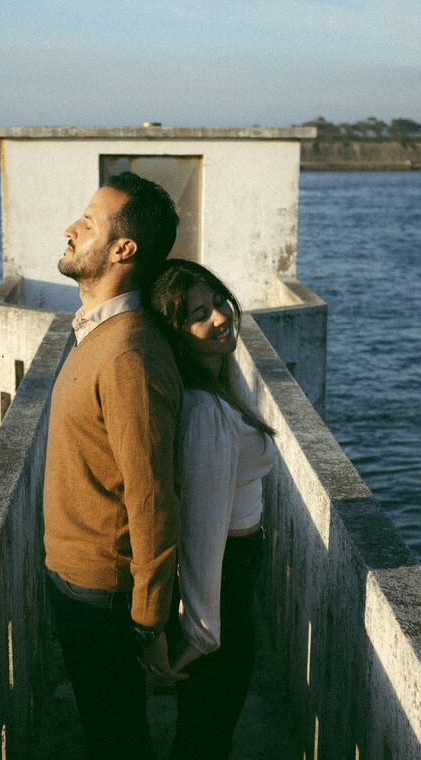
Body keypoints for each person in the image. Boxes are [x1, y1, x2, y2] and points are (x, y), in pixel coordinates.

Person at [43, 171, 185, 760]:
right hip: (78, 581)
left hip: (100, 594)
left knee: (118, 739)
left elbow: (153, 497)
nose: (71, 230)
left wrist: (149, 622)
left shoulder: (128, 353)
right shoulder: (98, 336)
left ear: (123, 250)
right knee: (109, 730)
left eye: (89, 222)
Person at [148, 259, 277, 760]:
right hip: (226, 576)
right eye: (198, 315)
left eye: (219, 302)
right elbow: (202, 537)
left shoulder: (221, 380)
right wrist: (201, 636)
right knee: (207, 728)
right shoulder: (206, 413)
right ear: (176, 334)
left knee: (209, 724)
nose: (220, 318)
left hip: (238, 571)